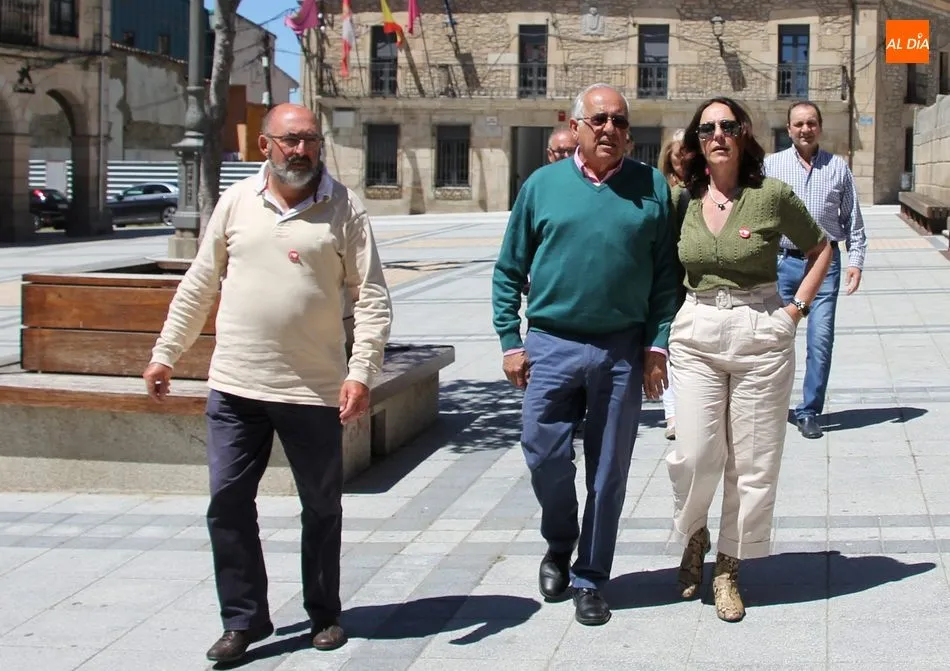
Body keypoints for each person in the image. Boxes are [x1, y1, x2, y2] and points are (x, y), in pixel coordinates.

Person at [142, 103, 393, 662]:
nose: (301, 150)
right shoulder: (235, 202)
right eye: (291, 140)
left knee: (322, 506)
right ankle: (243, 619)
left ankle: (324, 613)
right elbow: (199, 283)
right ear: (265, 146)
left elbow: (372, 297)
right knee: (228, 502)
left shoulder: (344, 208)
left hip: (313, 390)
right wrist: (166, 354)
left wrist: (361, 372)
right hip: (236, 385)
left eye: (311, 140)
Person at [492, 83, 679, 627]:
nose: (610, 129)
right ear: (575, 127)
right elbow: (509, 269)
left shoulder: (651, 187)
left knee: (609, 469)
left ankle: (591, 576)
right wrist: (510, 340)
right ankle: (560, 540)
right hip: (551, 343)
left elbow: (666, 277)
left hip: (621, 348)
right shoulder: (541, 186)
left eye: (619, 121)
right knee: (543, 453)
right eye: (599, 120)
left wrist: (656, 345)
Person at [664, 97, 831, 622]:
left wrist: (794, 312)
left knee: (752, 462)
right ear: (697, 140)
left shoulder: (770, 195)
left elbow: (821, 248)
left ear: (743, 134)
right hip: (696, 331)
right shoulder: (682, 199)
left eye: (727, 126)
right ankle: (695, 534)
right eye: (707, 128)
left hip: (760, 330)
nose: (717, 135)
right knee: (694, 454)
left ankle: (729, 568)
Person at [765, 100, 868, 439]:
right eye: (798, 124)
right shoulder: (771, 166)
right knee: (776, 339)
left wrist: (855, 261)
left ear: (819, 127)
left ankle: (809, 411)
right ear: (789, 129)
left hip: (825, 265)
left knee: (820, 341)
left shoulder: (838, 168)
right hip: (782, 263)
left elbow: (852, 219)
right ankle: (772, 406)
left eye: (811, 123)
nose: (805, 129)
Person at [657, 129, 686, 440]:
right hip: (669, 279)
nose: (683, 159)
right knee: (666, 345)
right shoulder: (663, 190)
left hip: (691, 280)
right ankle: (672, 413)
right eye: (678, 154)